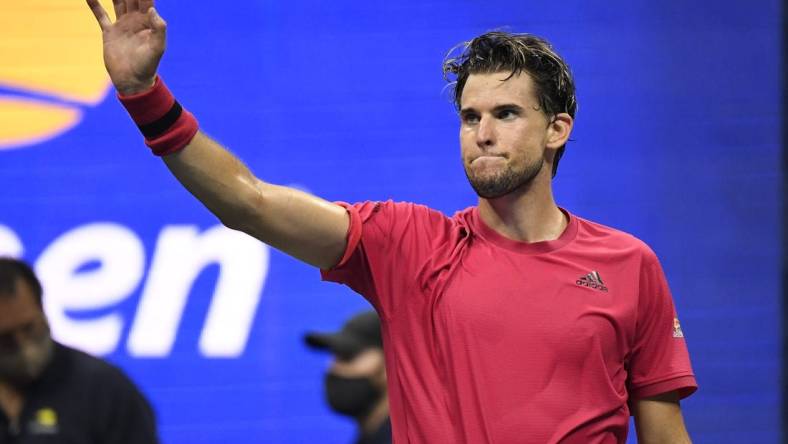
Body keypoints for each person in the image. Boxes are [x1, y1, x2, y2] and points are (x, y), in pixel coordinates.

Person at [85, 1, 698, 442]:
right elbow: (251, 202)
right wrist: (145, 94)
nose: (482, 134)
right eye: (468, 117)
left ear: (557, 130)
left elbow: (664, 431)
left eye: (506, 113)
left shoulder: (628, 264)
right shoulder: (408, 243)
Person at [0, 258, 159, 444]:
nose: (24, 345)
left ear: (42, 309)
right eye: (6, 338)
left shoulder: (104, 391)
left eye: (29, 328)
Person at [305, 310, 391, 444]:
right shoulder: (371, 434)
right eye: (335, 355)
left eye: (347, 356)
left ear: (391, 364)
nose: (334, 367)